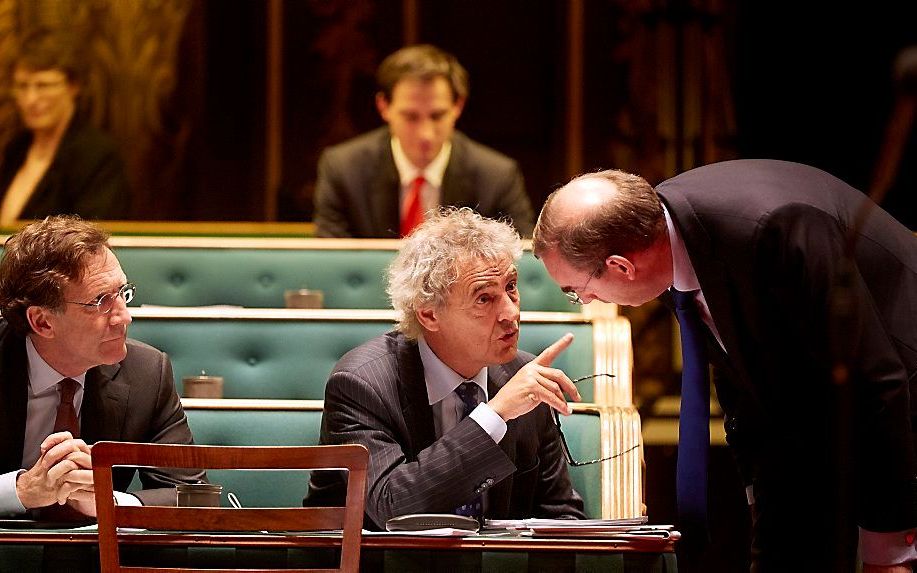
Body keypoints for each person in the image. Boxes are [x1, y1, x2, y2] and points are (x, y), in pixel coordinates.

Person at [532, 159, 917, 571]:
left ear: (620, 267)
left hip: (901, 412)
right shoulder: (661, 239)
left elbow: (877, 381)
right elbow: (748, 383)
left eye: (577, 290)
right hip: (806, 434)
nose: (586, 302)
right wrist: (763, 498)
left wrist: (888, 549)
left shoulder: (775, 228)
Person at [305, 208, 584, 528]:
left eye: (510, 287)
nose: (510, 313)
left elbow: (560, 513)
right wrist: (493, 416)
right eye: (484, 299)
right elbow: (391, 507)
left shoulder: (521, 375)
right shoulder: (361, 385)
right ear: (429, 315)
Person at [0, 215, 202, 520]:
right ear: (42, 322)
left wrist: (109, 502)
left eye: (122, 293)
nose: (124, 317)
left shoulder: (147, 372)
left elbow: (192, 495)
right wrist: (22, 490)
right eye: (100, 302)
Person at [312, 44, 535, 238]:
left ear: (458, 106)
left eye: (437, 116)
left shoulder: (497, 177)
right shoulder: (342, 169)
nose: (425, 134)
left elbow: (521, 262)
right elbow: (333, 265)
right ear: (384, 107)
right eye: (410, 117)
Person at [0, 27, 130, 227]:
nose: (30, 99)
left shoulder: (97, 156)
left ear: (73, 86)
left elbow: (92, 241)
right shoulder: (16, 148)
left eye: (43, 85)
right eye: (22, 86)